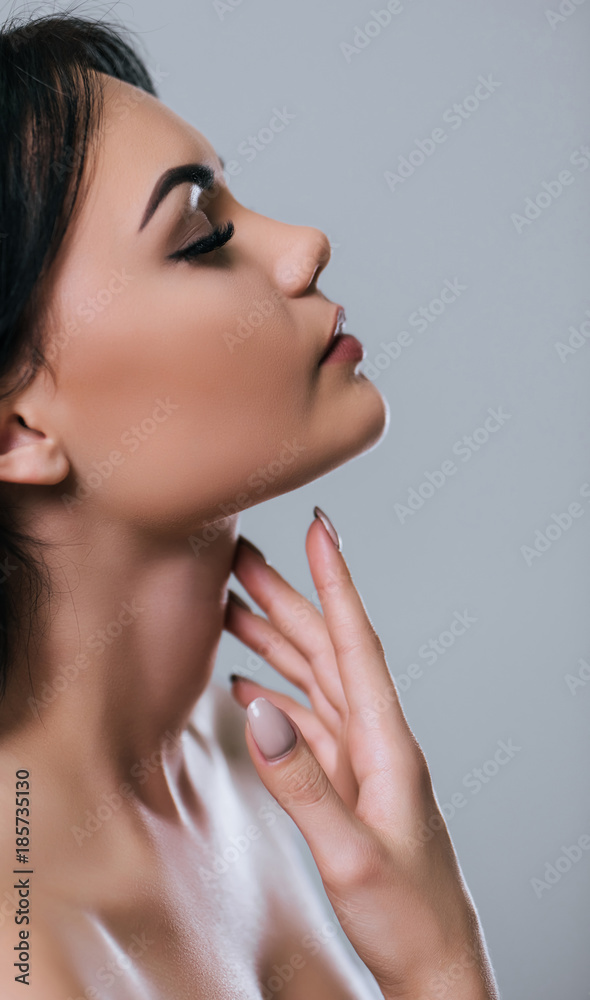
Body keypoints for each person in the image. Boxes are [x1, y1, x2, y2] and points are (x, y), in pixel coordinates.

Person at [0, 10, 500, 999]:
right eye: (201, 237)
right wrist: (439, 958)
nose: (304, 246)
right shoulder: (23, 951)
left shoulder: (250, 761)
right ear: (18, 431)